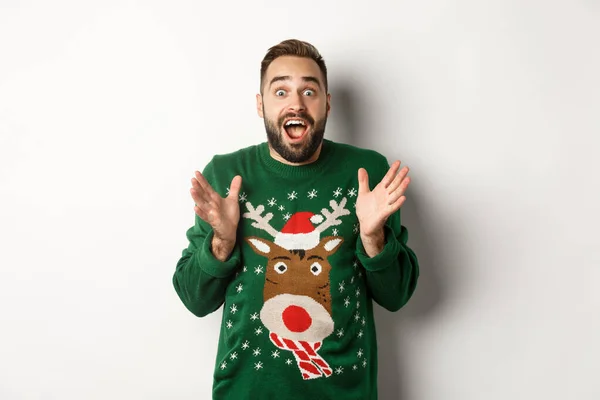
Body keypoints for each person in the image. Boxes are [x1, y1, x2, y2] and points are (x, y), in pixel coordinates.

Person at [172, 38, 419, 400]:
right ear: (261, 104)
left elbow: (396, 295)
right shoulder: (226, 175)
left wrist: (373, 238)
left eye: (309, 91)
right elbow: (195, 299)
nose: (296, 104)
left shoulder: (368, 173)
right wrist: (221, 243)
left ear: (327, 103)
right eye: (281, 91)